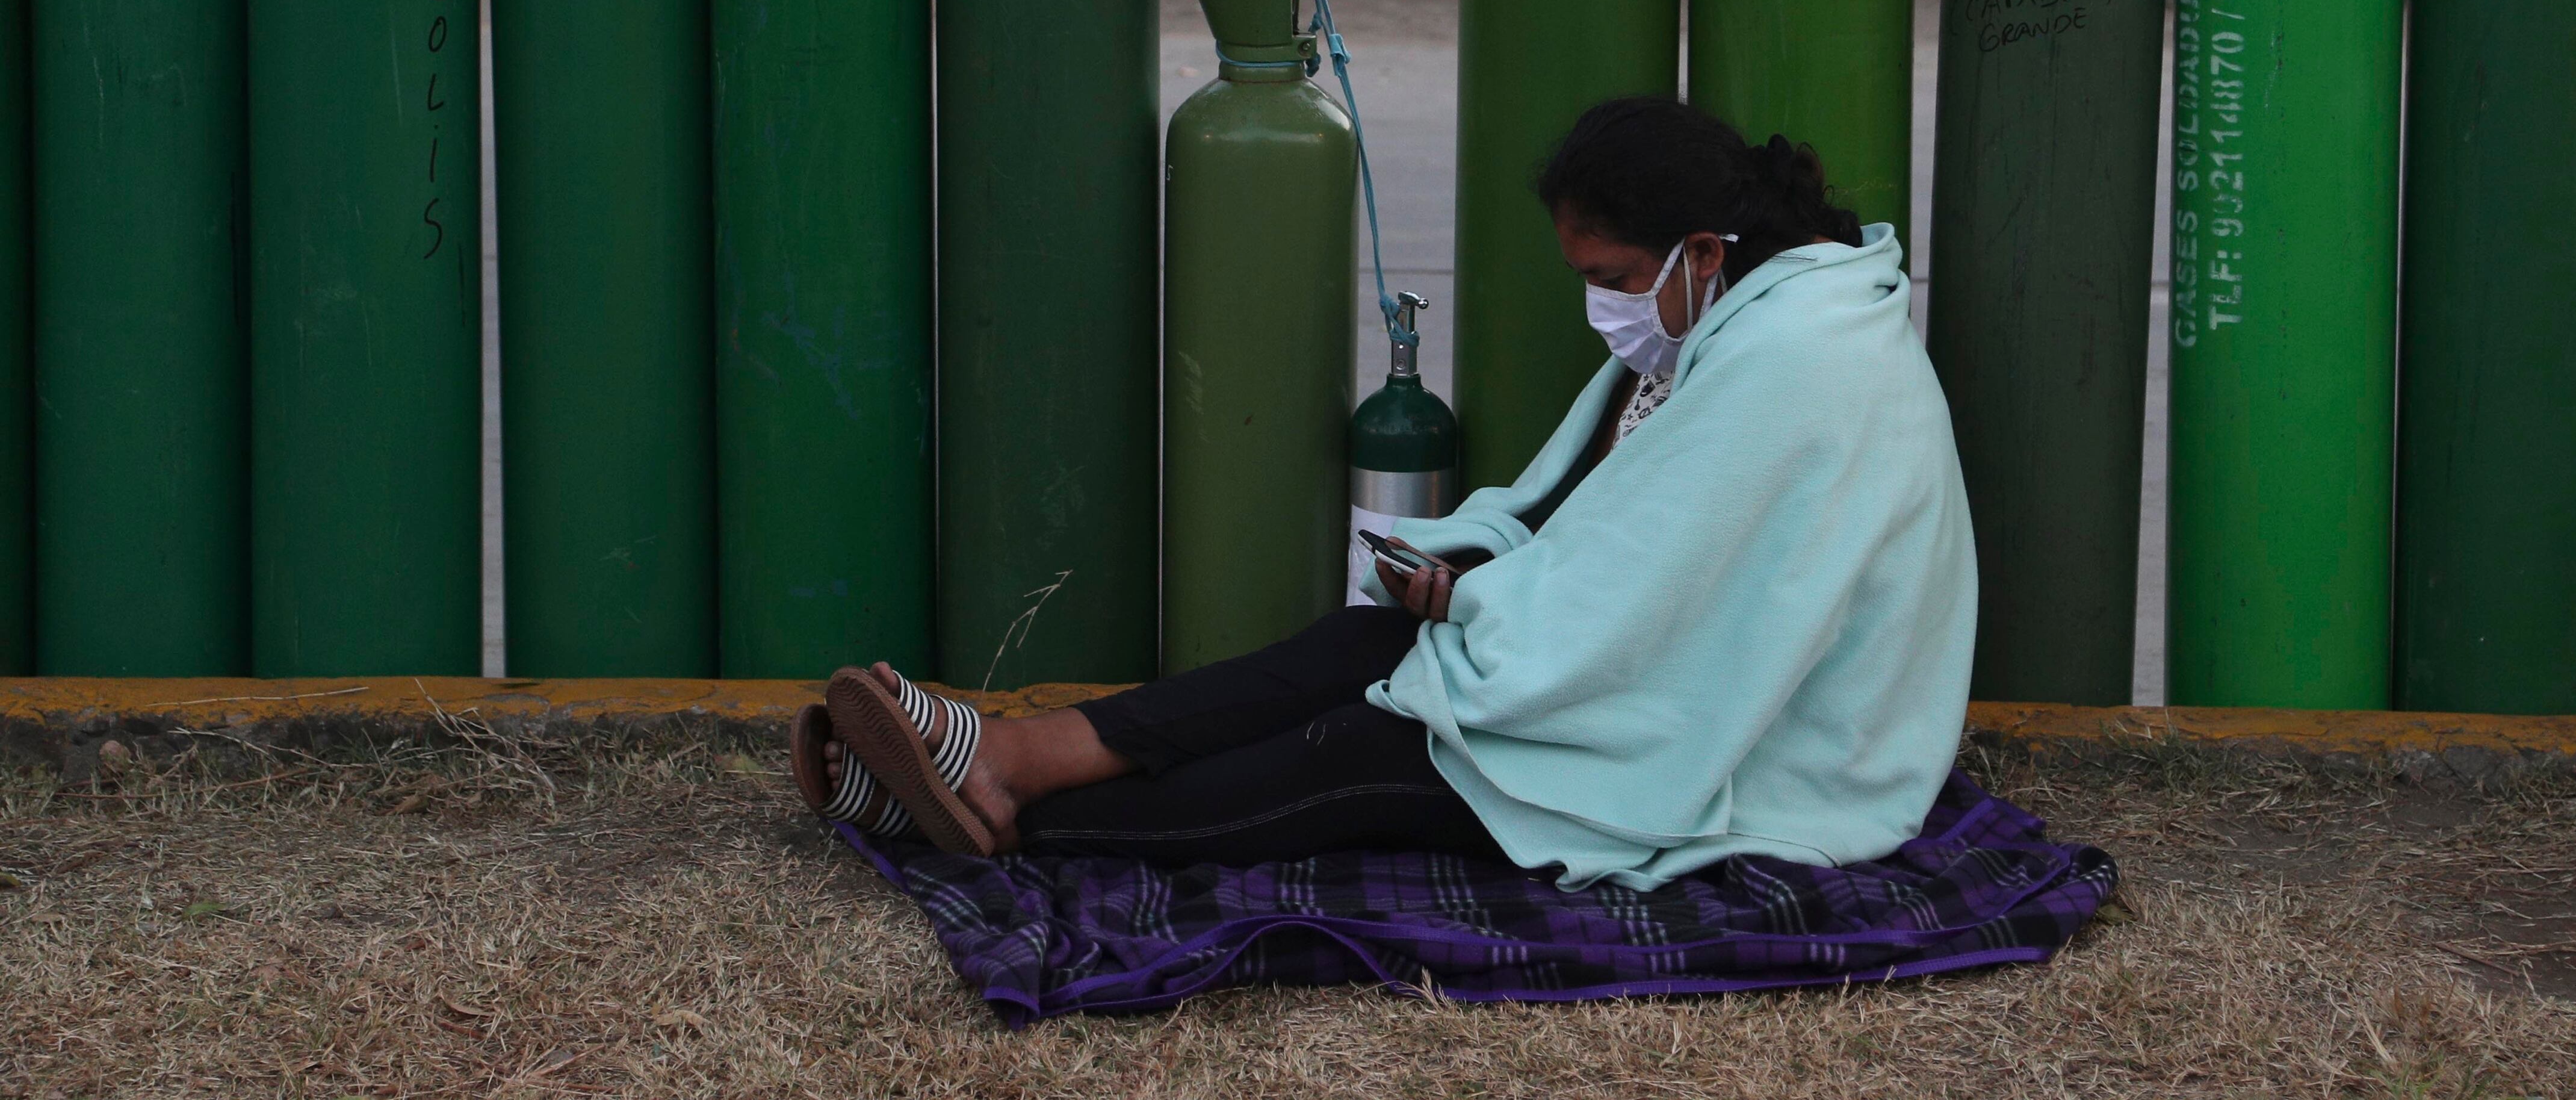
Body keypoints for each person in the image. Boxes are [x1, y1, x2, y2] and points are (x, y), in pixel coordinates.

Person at [795, 97, 1977, 889]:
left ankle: (962, 803)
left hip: (1766, 751)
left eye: (1612, 279)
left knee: (1348, 753)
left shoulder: (1797, 359)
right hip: (1672, 682)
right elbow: (1616, 536)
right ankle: (1001, 754)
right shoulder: (1758, 317)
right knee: (1351, 643)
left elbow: (1655, 595)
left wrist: (1473, 608)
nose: (1602, 310)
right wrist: (1470, 582)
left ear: (1703, 251)